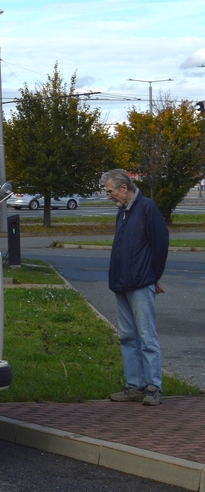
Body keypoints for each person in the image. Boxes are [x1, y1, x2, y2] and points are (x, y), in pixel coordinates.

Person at [103, 169, 170, 407]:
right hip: (122, 284)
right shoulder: (122, 212)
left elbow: (160, 243)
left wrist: (153, 276)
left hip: (140, 283)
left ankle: (153, 387)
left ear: (123, 188)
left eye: (110, 191)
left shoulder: (147, 208)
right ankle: (134, 386)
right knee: (128, 337)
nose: (109, 196)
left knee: (146, 337)